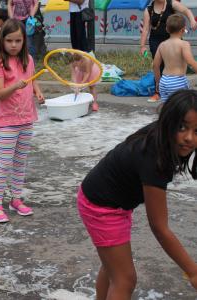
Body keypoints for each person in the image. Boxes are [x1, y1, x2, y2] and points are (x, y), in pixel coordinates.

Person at [77, 89, 197, 298]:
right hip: (101, 206)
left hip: (108, 199)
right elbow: (159, 228)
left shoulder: (161, 137)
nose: (188, 138)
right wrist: (193, 271)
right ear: (169, 122)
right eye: (182, 127)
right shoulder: (155, 159)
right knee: (125, 278)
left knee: (112, 267)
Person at [0, 19, 45, 223]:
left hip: (26, 119)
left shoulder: (27, 60)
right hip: (7, 122)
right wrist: (16, 86)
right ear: (2, 41)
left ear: (23, 41)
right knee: (5, 163)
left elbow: (32, 78)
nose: (13, 45)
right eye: (9, 40)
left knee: (20, 163)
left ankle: (16, 199)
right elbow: (1, 94)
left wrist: (38, 92)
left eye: (18, 40)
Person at [140, 0, 197, 102]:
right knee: (181, 104)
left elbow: (186, 10)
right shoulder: (149, 9)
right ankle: (157, 93)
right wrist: (142, 46)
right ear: (183, 29)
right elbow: (145, 29)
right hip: (156, 40)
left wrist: (192, 20)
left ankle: (160, 90)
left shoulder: (171, 3)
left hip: (164, 82)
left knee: (177, 61)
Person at [153, 14, 197, 104]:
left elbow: (155, 65)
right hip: (178, 81)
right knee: (181, 109)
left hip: (164, 81)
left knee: (167, 108)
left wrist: (158, 82)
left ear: (167, 29)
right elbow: (190, 62)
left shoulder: (162, 45)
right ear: (183, 29)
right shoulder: (184, 44)